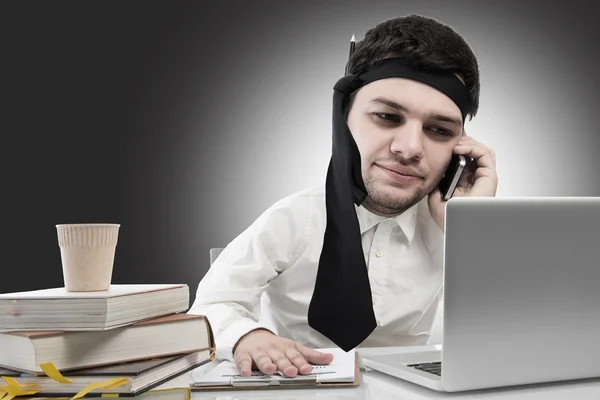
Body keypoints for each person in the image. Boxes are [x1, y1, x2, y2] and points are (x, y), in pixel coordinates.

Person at [188, 14, 498, 379]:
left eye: (439, 130)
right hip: (299, 386)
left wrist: (471, 230)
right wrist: (247, 336)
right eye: (386, 116)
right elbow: (211, 304)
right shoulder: (294, 219)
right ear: (344, 117)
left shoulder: (451, 229)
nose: (410, 148)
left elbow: (515, 331)